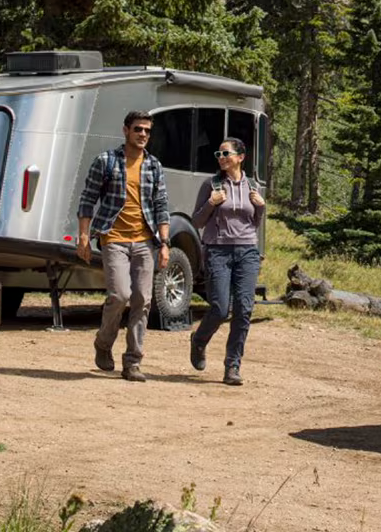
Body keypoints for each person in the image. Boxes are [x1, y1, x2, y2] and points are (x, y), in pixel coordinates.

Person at [76, 110, 169, 382]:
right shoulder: (106, 161)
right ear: (126, 130)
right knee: (119, 295)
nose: (143, 134)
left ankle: (133, 362)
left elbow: (162, 206)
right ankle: (103, 343)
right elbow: (87, 199)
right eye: (138, 129)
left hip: (144, 241)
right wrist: (83, 236)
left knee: (143, 299)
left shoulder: (154, 166)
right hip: (113, 238)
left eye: (147, 130)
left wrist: (165, 243)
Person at [188, 136, 265, 385]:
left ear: (240, 157)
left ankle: (232, 366)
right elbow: (197, 221)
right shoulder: (211, 184)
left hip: (247, 251)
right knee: (220, 309)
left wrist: (261, 207)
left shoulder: (252, 186)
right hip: (218, 250)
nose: (221, 158)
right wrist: (211, 204)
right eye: (219, 155)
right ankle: (199, 340)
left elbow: (255, 223)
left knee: (244, 309)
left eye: (226, 154)